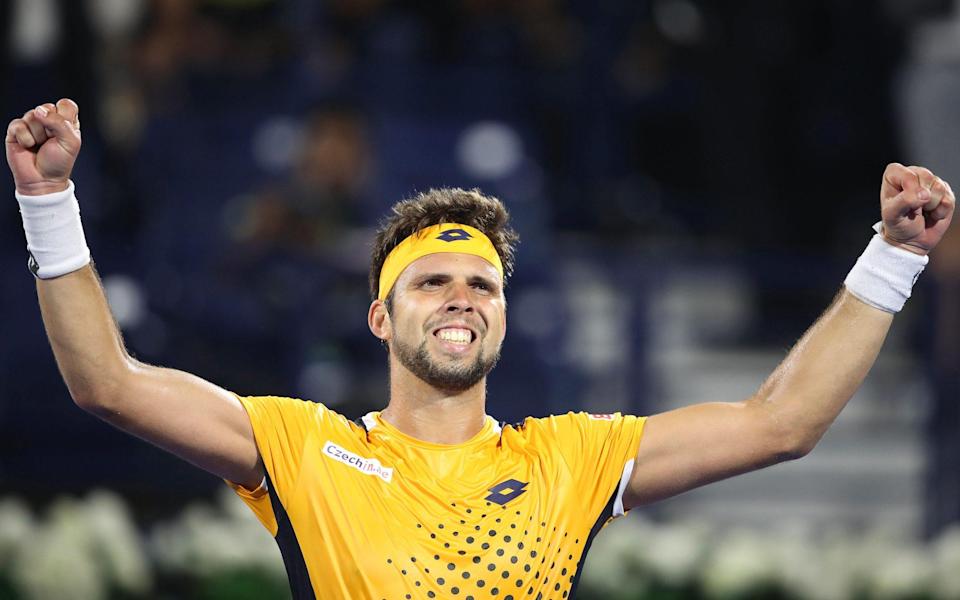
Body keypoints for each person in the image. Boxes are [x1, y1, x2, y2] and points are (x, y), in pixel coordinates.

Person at [6, 99, 955, 599]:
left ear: (502, 319)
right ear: (381, 318)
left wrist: (895, 257)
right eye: (431, 281)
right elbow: (107, 384)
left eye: (482, 286)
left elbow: (781, 424)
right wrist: (49, 204)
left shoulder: (570, 460)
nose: (461, 298)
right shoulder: (301, 449)